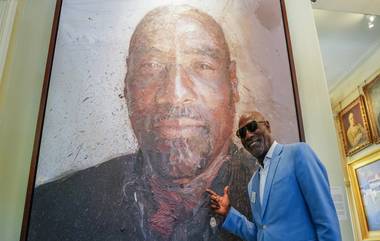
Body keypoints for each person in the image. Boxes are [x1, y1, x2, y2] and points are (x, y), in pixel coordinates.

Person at [27, 5, 256, 241]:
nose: (174, 94)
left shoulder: (284, 198)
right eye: (151, 66)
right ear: (127, 85)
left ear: (233, 83)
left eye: (202, 66)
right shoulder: (54, 208)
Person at [207, 111, 342, 241]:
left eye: (252, 126)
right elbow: (262, 234)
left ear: (267, 126)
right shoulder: (253, 183)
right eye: (241, 133)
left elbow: (325, 218)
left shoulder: (298, 154)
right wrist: (229, 213)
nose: (248, 135)